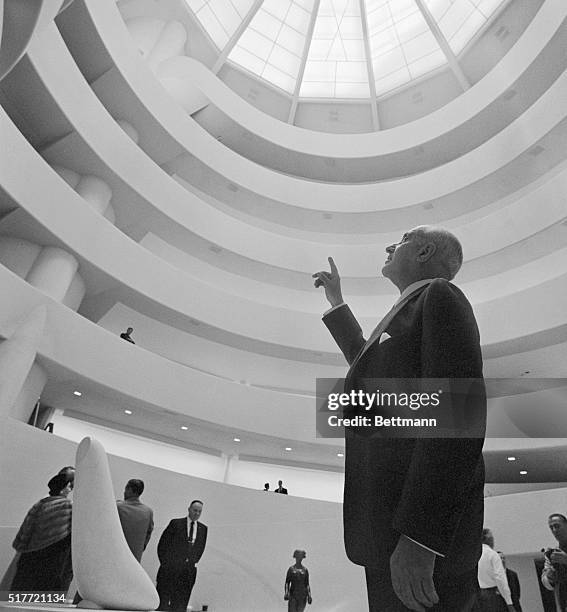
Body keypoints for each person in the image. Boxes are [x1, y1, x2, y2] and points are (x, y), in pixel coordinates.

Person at [313, 226, 486, 611]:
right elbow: (368, 367)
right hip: (386, 532)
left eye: (404, 239)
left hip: (418, 542)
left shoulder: (440, 295)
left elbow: (458, 418)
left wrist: (421, 539)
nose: (391, 245)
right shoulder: (405, 312)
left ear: (424, 252)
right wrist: (337, 301)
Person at [11, 473, 74, 592]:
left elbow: (24, 534)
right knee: (46, 598)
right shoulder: (67, 506)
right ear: (65, 487)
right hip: (53, 559)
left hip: (28, 558)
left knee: (23, 596)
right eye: (70, 486)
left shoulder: (39, 504)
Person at [156, 500, 208, 611]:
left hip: (187, 572)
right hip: (170, 570)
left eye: (199, 511)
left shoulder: (203, 529)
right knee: (163, 602)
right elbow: (163, 545)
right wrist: (166, 564)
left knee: (181, 604)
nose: (197, 514)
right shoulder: (176, 524)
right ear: (189, 509)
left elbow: (200, 548)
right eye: (195, 510)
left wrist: (191, 561)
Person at [475, 529, 514, 611]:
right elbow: (500, 578)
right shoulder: (492, 554)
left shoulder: (475, 555)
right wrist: (509, 602)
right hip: (493, 595)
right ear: (488, 539)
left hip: (478, 595)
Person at [116, 479, 154, 562]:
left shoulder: (117, 507)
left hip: (116, 555)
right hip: (135, 559)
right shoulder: (148, 512)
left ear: (129, 490)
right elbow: (148, 533)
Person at [542, 513, 567, 611]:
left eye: (557, 526)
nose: (554, 530)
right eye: (551, 528)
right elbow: (547, 584)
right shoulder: (553, 554)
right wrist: (550, 575)